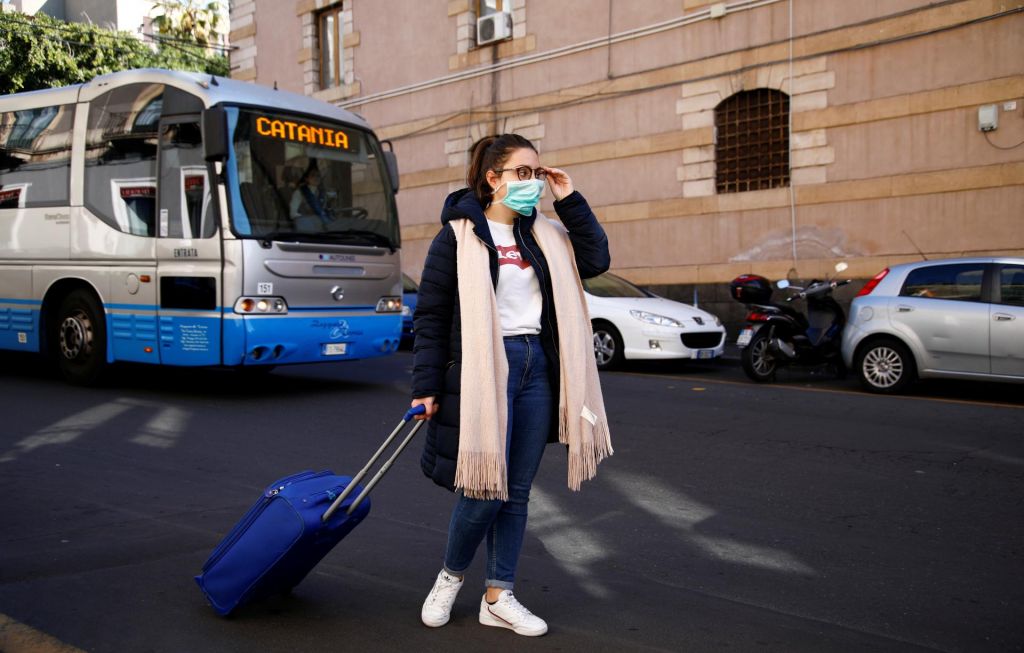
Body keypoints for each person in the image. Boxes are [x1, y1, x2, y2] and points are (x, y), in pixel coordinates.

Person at [411, 133, 613, 637]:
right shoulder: (456, 239)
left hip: (536, 368)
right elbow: (432, 318)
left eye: (538, 174)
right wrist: (426, 386)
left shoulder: (544, 234)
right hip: (483, 369)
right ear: (493, 178)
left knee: (517, 492)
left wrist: (569, 200)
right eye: (523, 173)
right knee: (483, 490)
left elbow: (596, 260)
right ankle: (450, 576)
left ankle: (499, 595)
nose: (534, 184)